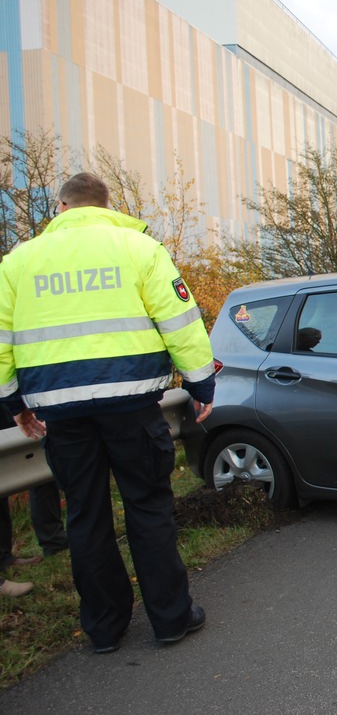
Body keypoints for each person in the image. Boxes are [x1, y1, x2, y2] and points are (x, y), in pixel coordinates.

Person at [0, 172, 217, 654]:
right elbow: (181, 321)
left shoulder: (18, 262)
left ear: (60, 207)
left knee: (85, 514)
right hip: (132, 403)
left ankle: (103, 628)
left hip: (60, 410)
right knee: (148, 505)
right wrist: (200, 384)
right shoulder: (139, 248)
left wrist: (14, 405)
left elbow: (2, 341)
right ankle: (170, 619)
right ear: (106, 205)